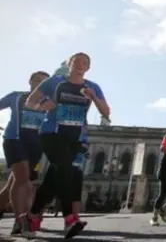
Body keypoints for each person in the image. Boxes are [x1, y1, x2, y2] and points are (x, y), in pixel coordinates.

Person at [24, 52, 109, 239]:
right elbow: (31, 100)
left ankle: (32, 215)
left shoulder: (92, 87)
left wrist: (94, 96)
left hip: (76, 138)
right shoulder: (53, 82)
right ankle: (71, 218)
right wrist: (41, 106)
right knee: (66, 171)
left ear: (88, 68)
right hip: (52, 133)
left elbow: (106, 111)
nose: (80, 64)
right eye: (76, 61)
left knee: (54, 177)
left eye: (85, 62)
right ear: (69, 64)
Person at [0, 71, 50, 236]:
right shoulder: (16, 96)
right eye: (37, 80)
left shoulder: (49, 103)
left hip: (36, 145)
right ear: (30, 81)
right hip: (14, 139)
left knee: (18, 183)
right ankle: (20, 221)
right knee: (23, 179)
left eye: (44, 82)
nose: (39, 84)